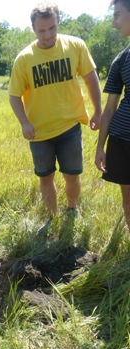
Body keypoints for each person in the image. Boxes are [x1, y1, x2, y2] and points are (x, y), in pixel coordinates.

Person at [8, 1, 101, 233]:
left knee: (72, 175)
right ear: (32, 28)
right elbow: (14, 96)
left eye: (52, 28)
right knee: (45, 177)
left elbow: (91, 78)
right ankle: (51, 217)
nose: (48, 34)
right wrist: (24, 123)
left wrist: (98, 111)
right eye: (42, 30)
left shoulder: (75, 46)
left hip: (69, 127)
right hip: (39, 132)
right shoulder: (24, 59)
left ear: (58, 21)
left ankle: (72, 210)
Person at [95, 0, 130, 230]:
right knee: (128, 195)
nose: (113, 23)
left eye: (117, 15)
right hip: (122, 141)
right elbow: (109, 110)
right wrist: (100, 147)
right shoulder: (121, 59)